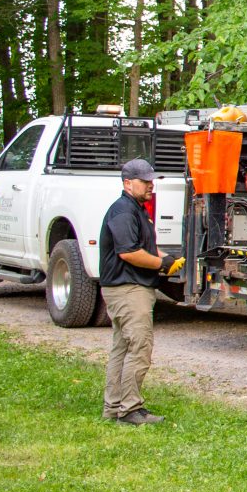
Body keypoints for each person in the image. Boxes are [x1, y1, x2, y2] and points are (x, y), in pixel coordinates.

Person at [99, 158, 182, 425]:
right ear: (127, 183)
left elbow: (143, 245)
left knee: (122, 349)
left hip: (128, 288)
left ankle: (113, 407)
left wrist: (169, 259)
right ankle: (130, 410)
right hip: (128, 289)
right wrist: (160, 264)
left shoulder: (136, 209)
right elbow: (129, 252)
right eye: (145, 181)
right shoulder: (123, 211)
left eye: (151, 180)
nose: (150, 185)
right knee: (140, 348)